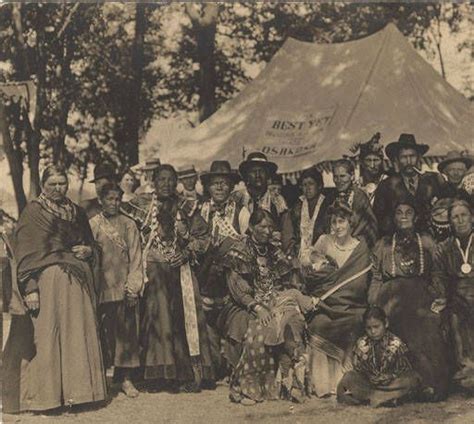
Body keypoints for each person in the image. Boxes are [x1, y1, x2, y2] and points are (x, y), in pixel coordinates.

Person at [3, 165, 106, 413]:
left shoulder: (77, 213)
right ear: (42, 185)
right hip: (47, 286)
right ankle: (48, 399)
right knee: (49, 337)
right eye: (53, 184)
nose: (58, 189)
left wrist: (89, 251)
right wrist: (30, 289)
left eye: (62, 184)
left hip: (78, 286)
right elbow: (25, 256)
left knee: (76, 336)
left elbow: (92, 244)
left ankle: (80, 394)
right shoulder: (33, 213)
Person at [218, 209, 316, 405]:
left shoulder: (273, 250)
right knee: (258, 329)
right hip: (244, 304)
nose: (267, 230)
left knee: (293, 322)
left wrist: (285, 300)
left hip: (274, 300)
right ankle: (246, 388)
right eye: (262, 226)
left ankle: (292, 383)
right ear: (252, 227)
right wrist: (258, 307)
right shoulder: (238, 250)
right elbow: (237, 289)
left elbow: (287, 280)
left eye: (270, 226)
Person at [135, 164, 213, 392]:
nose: (166, 184)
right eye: (162, 179)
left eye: (171, 180)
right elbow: (131, 235)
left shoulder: (187, 206)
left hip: (181, 269)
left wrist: (187, 253)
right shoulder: (141, 205)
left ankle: (188, 373)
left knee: (183, 316)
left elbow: (203, 236)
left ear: (176, 181)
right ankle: (160, 374)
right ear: (154, 181)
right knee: (158, 315)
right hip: (154, 268)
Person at [368, 201, 450, 400]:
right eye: (399, 212)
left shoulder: (427, 242)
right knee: (400, 323)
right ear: (394, 218)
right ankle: (404, 386)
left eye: (408, 212)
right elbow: (377, 277)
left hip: (421, 295)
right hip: (391, 297)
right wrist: (373, 306)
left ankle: (431, 383)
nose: (403, 216)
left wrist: (440, 296)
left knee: (428, 323)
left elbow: (437, 273)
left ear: (415, 217)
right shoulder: (384, 244)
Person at [305, 201, 372, 398]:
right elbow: (310, 273)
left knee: (355, 322)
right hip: (326, 305)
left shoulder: (361, 248)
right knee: (318, 324)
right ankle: (323, 385)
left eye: (341, 221)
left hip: (352, 306)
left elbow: (361, 283)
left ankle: (345, 382)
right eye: (333, 222)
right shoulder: (324, 241)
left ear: (351, 222)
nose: (337, 226)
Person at [89, 182, 144, 398]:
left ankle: (126, 379)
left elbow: (136, 257)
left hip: (123, 288)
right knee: (104, 333)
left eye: (118, 199)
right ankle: (103, 379)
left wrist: (133, 287)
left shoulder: (129, 224)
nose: (114, 203)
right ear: (101, 200)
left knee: (126, 334)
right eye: (110, 199)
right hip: (102, 288)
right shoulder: (93, 224)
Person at [197, 160, 248, 379]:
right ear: (208, 187)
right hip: (205, 282)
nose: (219, 188)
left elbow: (247, 245)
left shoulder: (241, 211)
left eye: (224, 183)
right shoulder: (199, 211)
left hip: (232, 281)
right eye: (215, 183)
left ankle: (232, 363)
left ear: (230, 186)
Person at [337, 306, 420, 407]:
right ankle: (385, 399)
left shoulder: (396, 343)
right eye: (369, 328)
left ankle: (373, 399)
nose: (373, 332)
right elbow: (358, 369)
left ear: (386, 323)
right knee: (348, 379)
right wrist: (370, 376)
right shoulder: (361, 344)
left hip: (391, 384)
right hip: (369, 384)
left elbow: (404, 368)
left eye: (376, 327)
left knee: (412, 379)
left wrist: (390, 376)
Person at [432, 200, 474, 391]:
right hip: (457, 297)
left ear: (472, 218)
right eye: (455, 217)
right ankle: (467, 371)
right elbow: (438, 276)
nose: (460, 220)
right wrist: (444, 296)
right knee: (456, 316)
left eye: (464, 215)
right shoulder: (443, 247)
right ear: (450, 222)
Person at [373, 133, 443, 236]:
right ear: (397, 159)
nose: (409, 161)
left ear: (419, 158)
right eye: (404, 157)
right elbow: (379, 219)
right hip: (399, 242)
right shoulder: (386, 185)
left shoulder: (434, 180)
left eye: (412, 156)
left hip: (433, 240)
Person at [281, 166, 331, 264]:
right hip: (298, 256)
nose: (307, 188)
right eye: (304, 185)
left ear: (319, 186)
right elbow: (288, 236)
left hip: (322, 255)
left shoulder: (328, 206)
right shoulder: (296, 208)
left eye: (311, 184)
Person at [325, 159, 378, 247]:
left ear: (352, 176)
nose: (338, 180)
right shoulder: (330, 197)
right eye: (335, 176)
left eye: (342, 176)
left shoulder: (359, 196)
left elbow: (363, 225)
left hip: (356, 245)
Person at [233, 152, 288, 232]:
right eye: (253, 171)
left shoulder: (277, 200)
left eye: (261, 171)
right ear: (247, 175)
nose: (258, 175)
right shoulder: (237, 198)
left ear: (267, 175)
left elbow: (286, 230)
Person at [351, 132, 387, 204]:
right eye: (368, 160)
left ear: (382, 161)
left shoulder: (387, 181)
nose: (372, 165)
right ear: (362, 162)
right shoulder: (354, 181)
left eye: (376, 160)